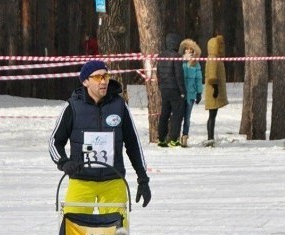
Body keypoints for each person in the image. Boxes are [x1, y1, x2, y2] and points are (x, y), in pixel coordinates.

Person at [49, 60, 151, 219]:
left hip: (113, 180)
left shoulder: (119, 106)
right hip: (81, 180)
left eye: (105, 76)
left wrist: (142, 178)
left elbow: (133, 144)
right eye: (97, 77)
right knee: (72, 232)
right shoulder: (72, 107)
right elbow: (55, 142)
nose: (103, 81)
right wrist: (64, 162)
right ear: (85, 81)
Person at [156, 33, 186, 148]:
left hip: (164, 89)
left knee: (164, 114)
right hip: (175, 90)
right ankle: (173, 139)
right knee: (177, 115)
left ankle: (161, 138)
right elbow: (179, 75)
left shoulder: (161, 56)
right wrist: (182, 91)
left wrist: (161, 86)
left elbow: (158, 73)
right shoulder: (177, 57)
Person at [204, 35, 229, 147]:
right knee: (212, 115)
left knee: (213, 115)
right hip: (213, 91)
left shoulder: (214, 58)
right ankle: (210, 137)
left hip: (213, 89)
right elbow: (212, 75)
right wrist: (215, 88)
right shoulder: (213, 59)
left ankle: (211, 136)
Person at [178, 38, 203, 148]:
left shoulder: (196, 64)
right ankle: (176, 137)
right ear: (183, 51)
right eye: (187, 50)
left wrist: (199, 93)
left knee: (187, 118)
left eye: (191, 50)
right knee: (178, 116)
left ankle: (184, 137)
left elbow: (198, 79)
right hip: (180, 94)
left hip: (191, 94)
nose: (189, 52)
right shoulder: (179, 62)